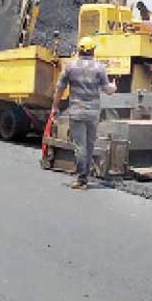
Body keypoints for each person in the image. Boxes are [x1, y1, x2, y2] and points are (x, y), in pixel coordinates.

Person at [51, 36, 117, 190]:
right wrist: (114, 86)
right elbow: (108, 90)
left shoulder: (70, 67)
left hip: (76, 112)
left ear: (79, 50)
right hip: (93, 113)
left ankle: (82, 179)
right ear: (93, 50)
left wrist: (55, 108)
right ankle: (84, 176)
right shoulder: (100, 68)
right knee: (90, 145)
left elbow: (59, 89)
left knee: (80, 146)